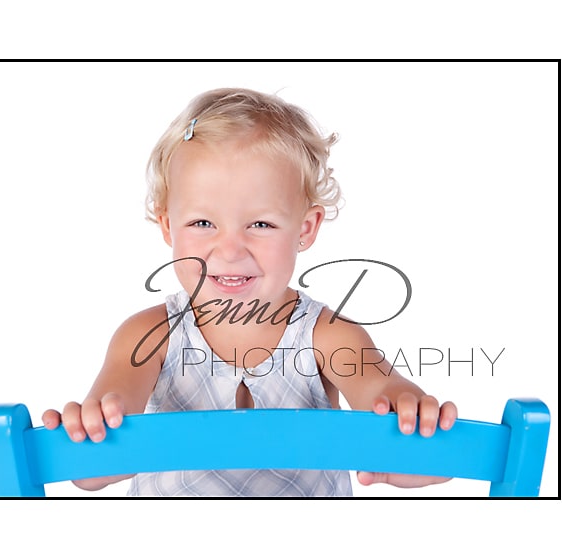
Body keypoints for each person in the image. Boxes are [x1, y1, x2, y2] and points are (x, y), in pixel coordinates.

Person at [42, 87, 458, 496]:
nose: (229, 250)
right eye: (202, 223)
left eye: (260, 224)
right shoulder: (148, 337)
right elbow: (95, 460)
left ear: (305, 228)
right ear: (168, 226)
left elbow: (380, 392)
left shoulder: (328, 336)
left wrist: (408, 420)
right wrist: (92, 434)